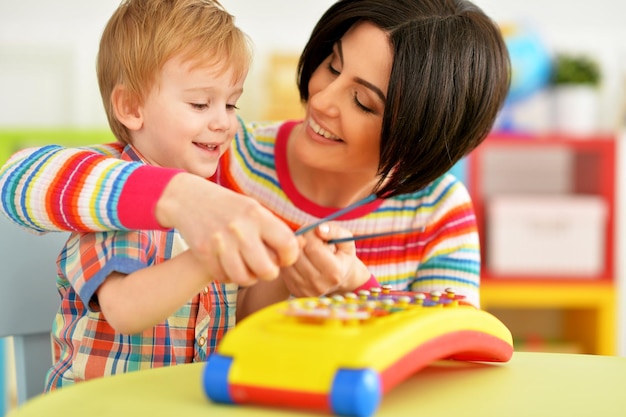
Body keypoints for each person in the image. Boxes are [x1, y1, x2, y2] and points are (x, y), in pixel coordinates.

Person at [0, 0, 509, 318]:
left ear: (420, 132)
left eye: (363, 102)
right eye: (331, 66)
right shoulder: (218, 153)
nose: (323, 100)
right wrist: (181, 198)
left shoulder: (439, 210)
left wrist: (356, 288)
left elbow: (459, 354)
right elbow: (17, 181)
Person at [30, 0, 303, 392]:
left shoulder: (218, 197)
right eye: (199, 103)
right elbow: (123, 309)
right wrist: (210, 256)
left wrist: (287, 266)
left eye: (230, 103)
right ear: (131, 107)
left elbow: (241, 314)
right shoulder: (112, 198)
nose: (222, 121)